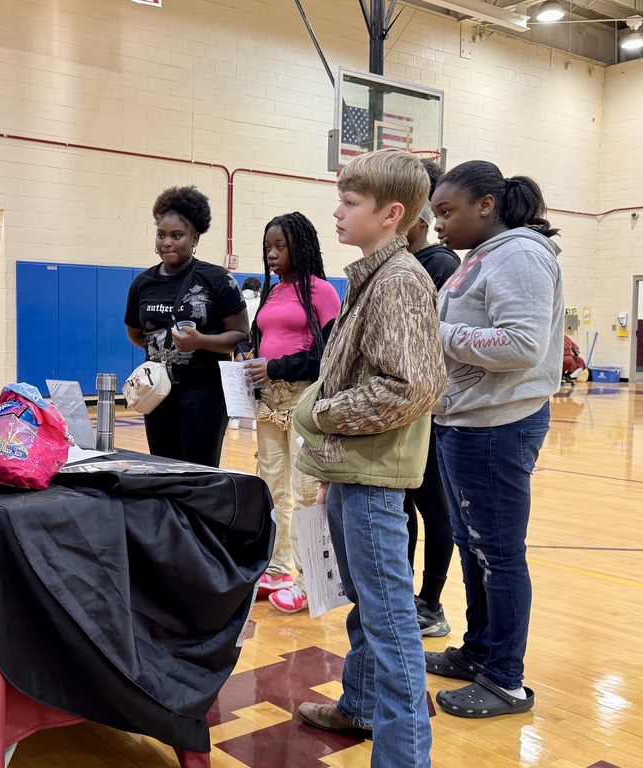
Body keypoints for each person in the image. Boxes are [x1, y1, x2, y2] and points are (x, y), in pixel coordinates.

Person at [291, 148, 446, 766]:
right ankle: (359, 706)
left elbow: (408, 387)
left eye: (350, 203)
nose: (337, 211)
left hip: (376, 477)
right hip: (353, 468)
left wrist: (320, 414)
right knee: (367, 606)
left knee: (391, 624)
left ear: (392, 213)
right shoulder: (374, 276)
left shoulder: (402, 282)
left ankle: (404, 756)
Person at [426, 160, 564, 718]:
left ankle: (505, 679)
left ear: (486, 205)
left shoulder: (522, 256)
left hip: (497, 426)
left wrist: (438, 333)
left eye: (446, 211)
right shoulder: (483, 257)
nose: (438, 225)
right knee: (474, 546)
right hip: (468, 422)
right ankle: (479, 650)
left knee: (500, 555)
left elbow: (522, 344)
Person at [242, 212, 340, 612]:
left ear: (301, 246)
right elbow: (266, 340)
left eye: (281, 246)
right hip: (269, 402)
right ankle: (279, 567)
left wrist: (277, 367)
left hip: (303, 400)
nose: (272, 254)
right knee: (273, 489)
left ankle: (310, 578)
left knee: (303, 492)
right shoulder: (273, 292)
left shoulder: (322, 292)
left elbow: (328, 357)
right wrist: (251, 360)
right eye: (268, 247)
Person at [124, 185, 249, 467]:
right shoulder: (142, 283)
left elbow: (242, 335)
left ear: (195, 238)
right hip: (156, 392)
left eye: (176, 236)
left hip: (204, 393)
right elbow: (136, 333)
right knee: (163, 469)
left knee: (199, 472)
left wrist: (200, 342)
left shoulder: (217, 278)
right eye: (161, 235)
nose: (167, 242)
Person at [404, 162, 461, 638]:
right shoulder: (396, 264)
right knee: (401, 507)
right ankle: (402, 595)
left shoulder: (440, 265)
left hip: (430, 410)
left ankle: (432, 602)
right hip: (401, 411)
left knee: (433, 507)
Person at [228, 276, 264, 430]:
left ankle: (234, 419)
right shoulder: (261, 300)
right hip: (255, 344)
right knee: (256, 379)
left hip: (238, 345)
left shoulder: (237, 299)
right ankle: (256, 418)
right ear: (258, 289)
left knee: (238, 381)